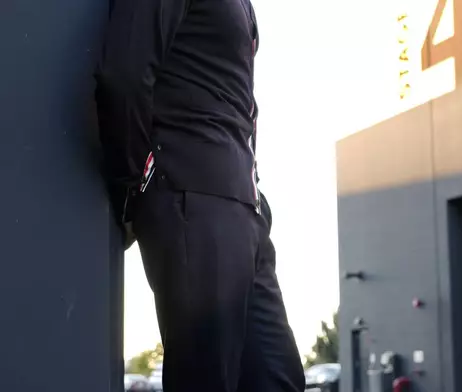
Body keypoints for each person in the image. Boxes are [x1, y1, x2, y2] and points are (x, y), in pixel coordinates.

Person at [94, 0, 305, 391]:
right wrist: (138, 183)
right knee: (206, 377)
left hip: (245, 206)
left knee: (278, 378)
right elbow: (123, 77)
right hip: (193, 194)